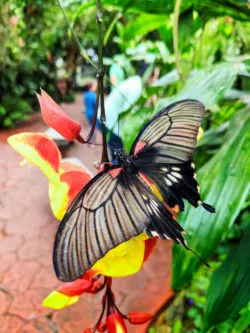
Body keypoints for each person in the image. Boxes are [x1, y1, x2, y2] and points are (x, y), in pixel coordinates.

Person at [83, 80, 97, 145]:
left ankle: (90, 140)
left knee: (91, 126)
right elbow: (96, 104)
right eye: (95, 86)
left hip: (88, 113)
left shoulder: (86, 94)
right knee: (93, 128)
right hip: (93, 113)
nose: (96, 87)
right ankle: (91, 141)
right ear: (91, 87)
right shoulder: (93, 95)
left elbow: (85, 104)